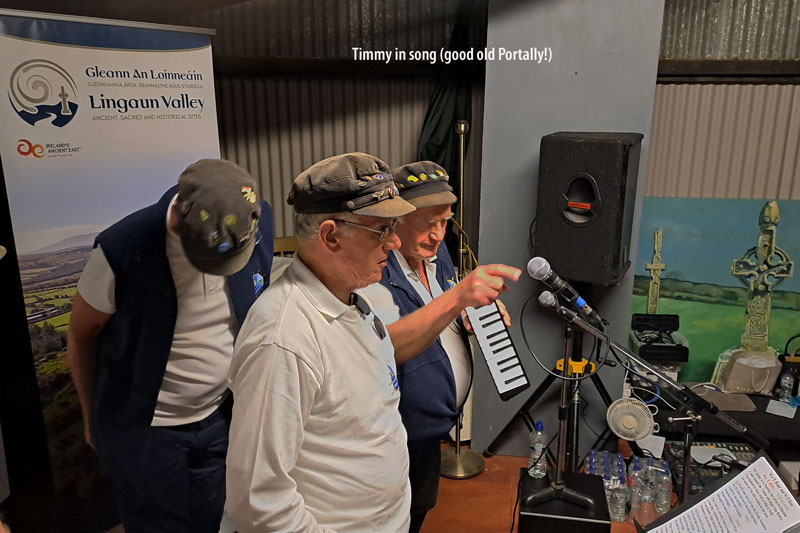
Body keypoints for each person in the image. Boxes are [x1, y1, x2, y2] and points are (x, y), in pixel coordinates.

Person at [66, 159, 274, 533]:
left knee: (212, 518)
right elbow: (82, 335)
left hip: (220, 416)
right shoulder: (123, 248)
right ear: (179, 213)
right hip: (147, 430)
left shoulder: (254, 220)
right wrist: (90, 417)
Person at [225, 152, 417, 532]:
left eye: (394, 227)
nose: (395, 242)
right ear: (330, 236)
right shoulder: (283, 339)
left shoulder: (353, 298)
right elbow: (258, 502)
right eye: (381, 230)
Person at [359, 160, 521, 532]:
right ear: (396, 219)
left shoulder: (435, 251)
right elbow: (387, 344)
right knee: (389, 520)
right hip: (397, 434)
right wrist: (459, 297)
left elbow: (440, 307)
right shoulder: (375, 268)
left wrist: (471, 312)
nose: (437, 235)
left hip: (430, 429)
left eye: (445, 222)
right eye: (427, 223)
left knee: (418, 509)